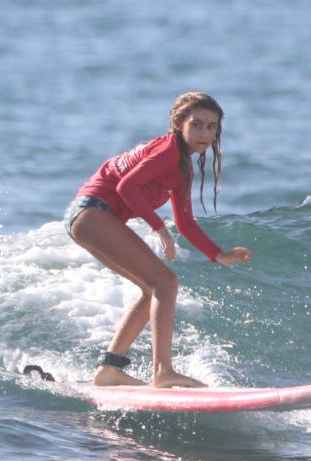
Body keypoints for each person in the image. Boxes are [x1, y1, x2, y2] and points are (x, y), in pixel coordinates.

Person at [64, 91, 251, 389]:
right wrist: (158, 229)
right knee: (165, 282)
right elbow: (127, 187)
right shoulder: (167, 153)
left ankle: (110, 369)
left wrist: (219, 255)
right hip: (92, 214)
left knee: (152, 289)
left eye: (212, 127)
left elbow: (186, 222)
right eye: (197, 124)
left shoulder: (181, 166)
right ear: (179, 123)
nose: (205, 133)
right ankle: (163, 371)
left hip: (89, 218)